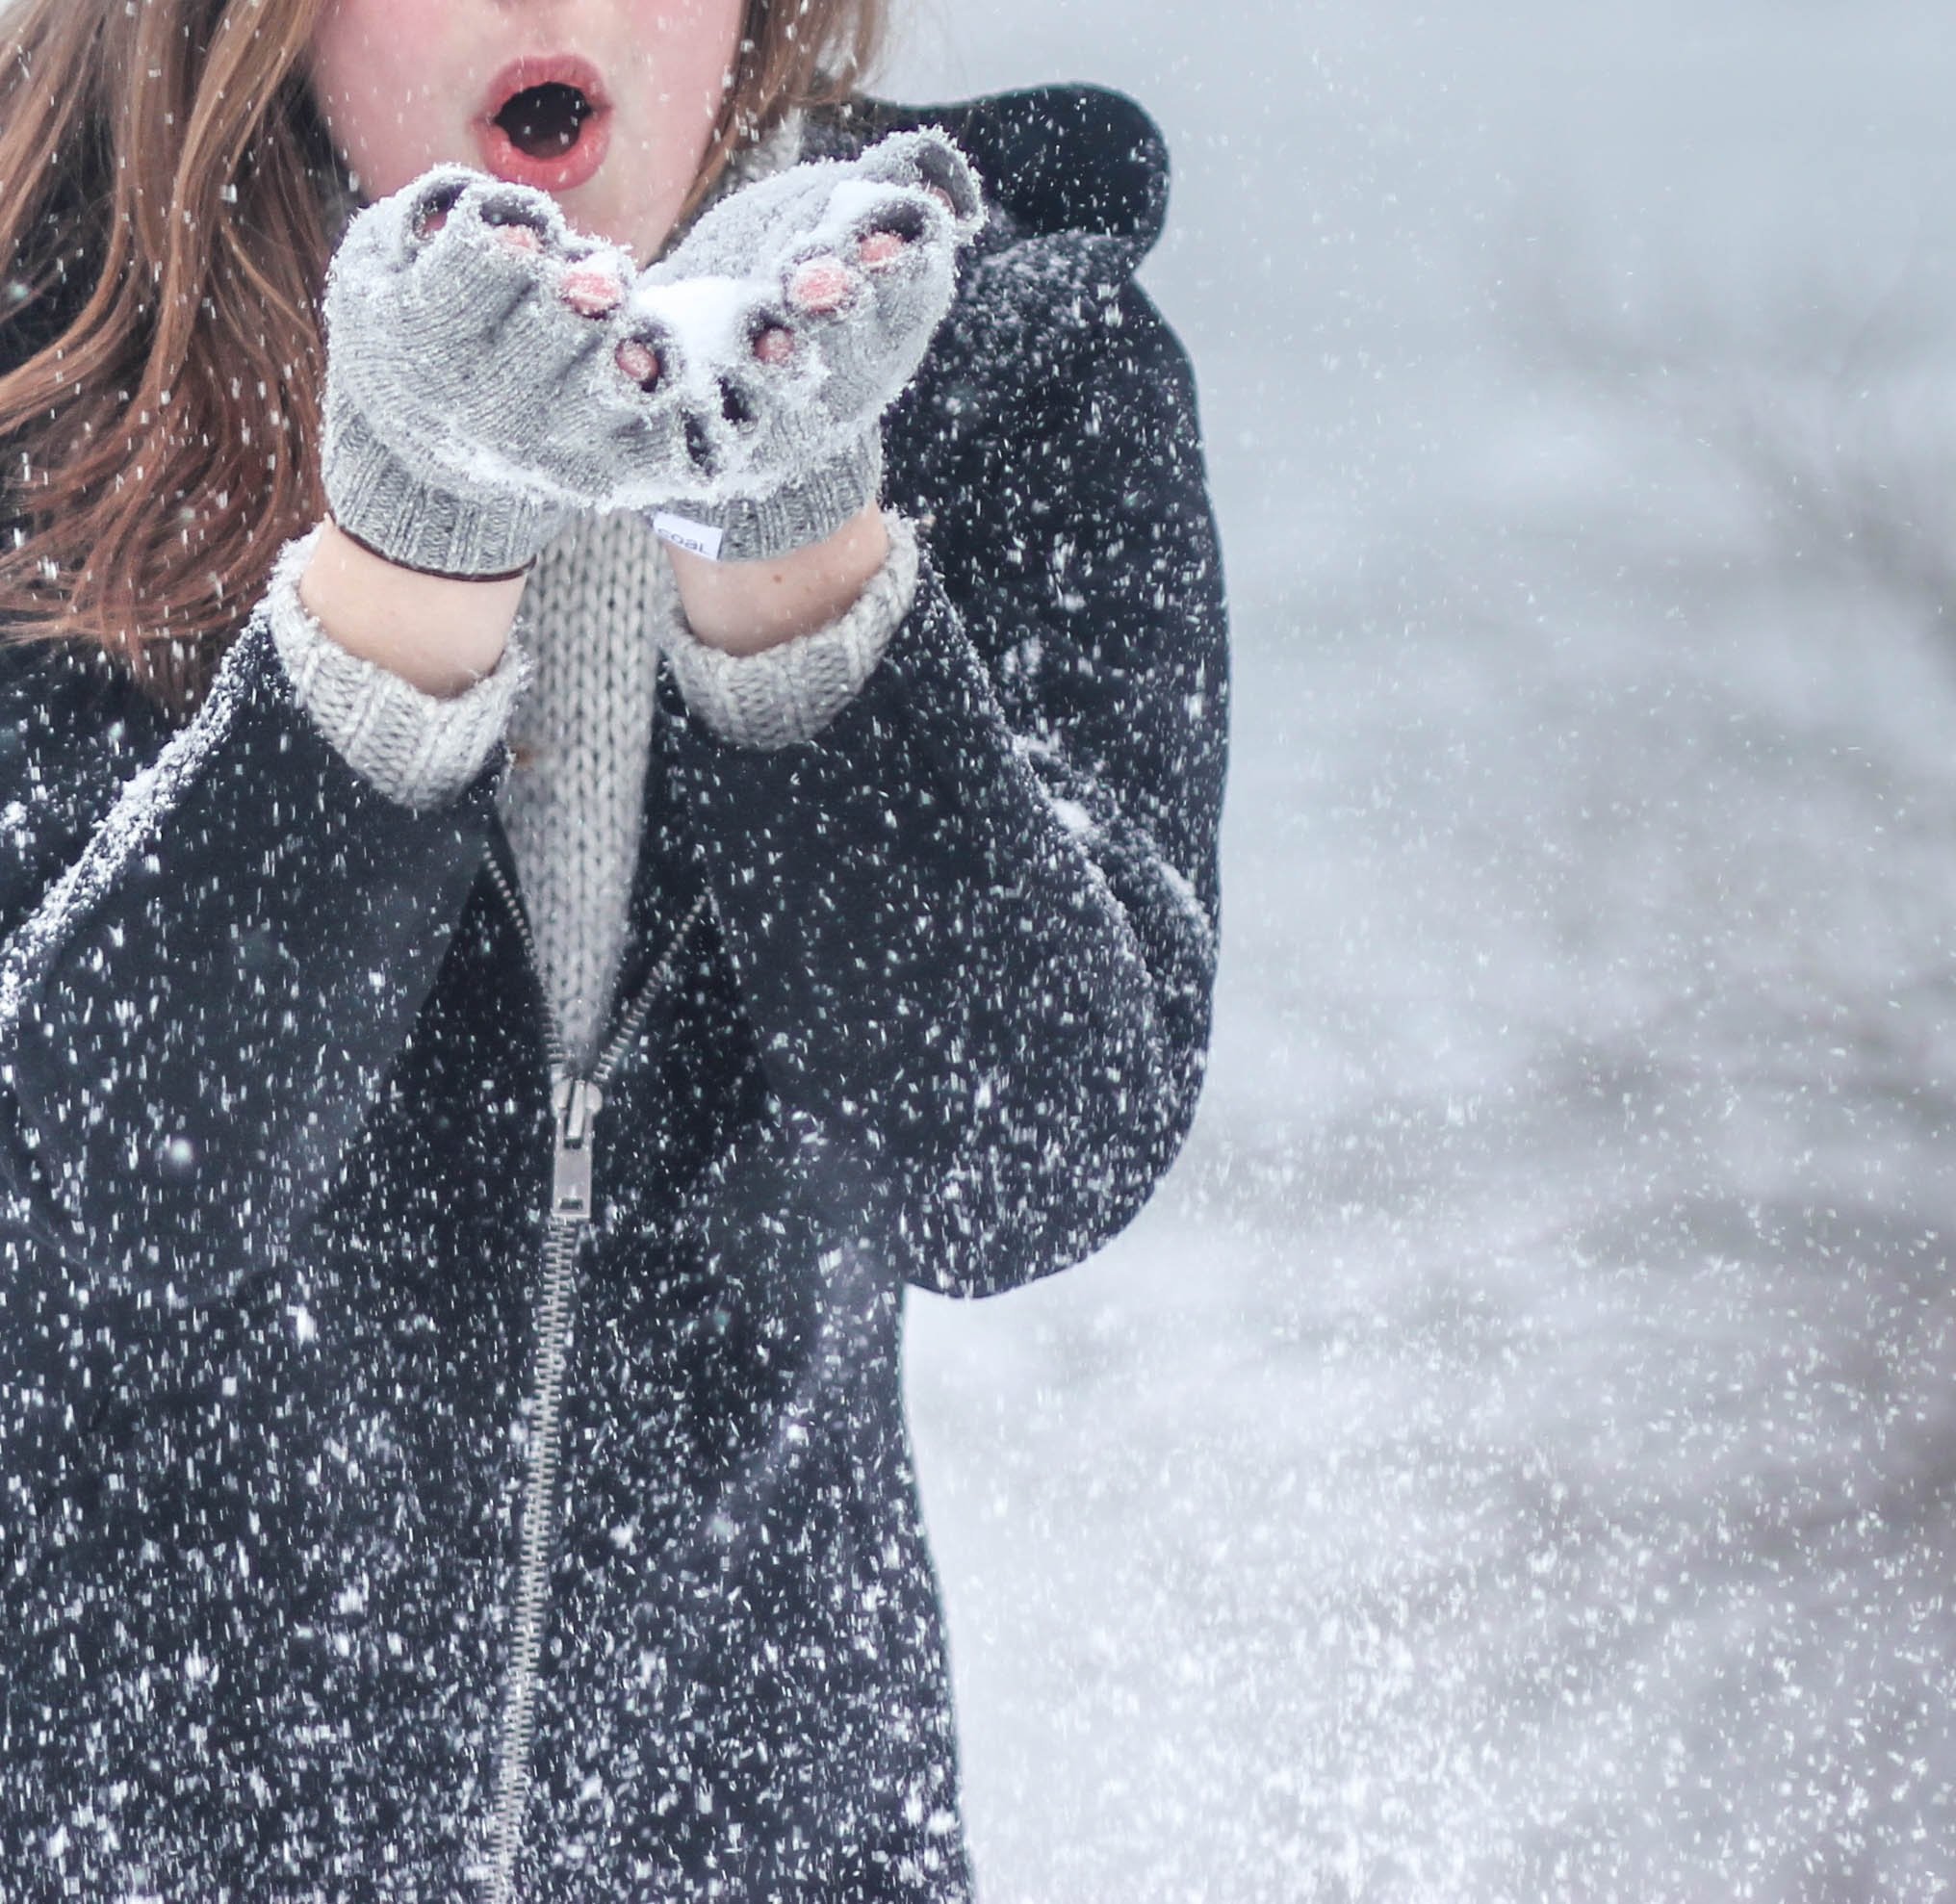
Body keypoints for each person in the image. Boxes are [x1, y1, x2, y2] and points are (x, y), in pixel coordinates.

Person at [0, 0, 1226, 1894]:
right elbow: (90, 1183)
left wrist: (795, 542)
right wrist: (410, 558)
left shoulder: (1006, 373)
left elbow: (1021, 1159)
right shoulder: (48, 383)